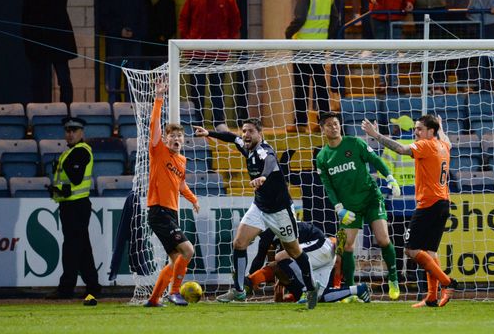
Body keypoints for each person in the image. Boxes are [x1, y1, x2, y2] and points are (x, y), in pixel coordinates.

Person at [193, 120, 319, 309]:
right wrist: (209, 133)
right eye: (244, 131)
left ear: (260, 134)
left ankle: (311, 288)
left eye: (250, 131)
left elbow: (269, 161)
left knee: (293, 251)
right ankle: (238, 289)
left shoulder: (264, 151)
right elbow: (230, 137)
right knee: (239, 243)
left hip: (280, 211)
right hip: (260, 207)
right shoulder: (246, 146)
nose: (245, 134)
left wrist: (263, 176)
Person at [361, 114, 460, 308]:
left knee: (411, 250)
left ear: (430, 131)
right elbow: (447, 139)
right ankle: (431, 297)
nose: (416, 132)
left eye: (420, 129)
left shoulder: (426, 145)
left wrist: (377, 135)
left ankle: (448, 283)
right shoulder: (443, 145)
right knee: (430, 252)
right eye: (415, 128)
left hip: (428, 204)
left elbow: (400, 148)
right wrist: (442, 128)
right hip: (443, 203)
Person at [315, 112, 402, 300]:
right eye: (329, 125)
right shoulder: (322, 157)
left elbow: (376, 161)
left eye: (336, 123)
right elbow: (328, 186)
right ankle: (350, 289)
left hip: (371, 199)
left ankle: (393, 280)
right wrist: (339, 208)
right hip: (349, 207)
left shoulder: (354, 143)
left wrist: (390, 178)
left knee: (383, 239)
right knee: (346, 246)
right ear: (322, 129)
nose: (334, 127)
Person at [143, 80, 200, 307]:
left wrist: (193, 200)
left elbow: (180, 185)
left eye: (179, 137)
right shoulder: (158, 152)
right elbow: (154, 126)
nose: (176, 140)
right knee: (188, 250)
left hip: (171, 212)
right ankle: (174, 292)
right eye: (172, 137)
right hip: (158, 211)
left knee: (176, 260)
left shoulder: (182, 160)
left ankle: (154, 299)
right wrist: (159, 98)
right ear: (165, 140)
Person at [178, 0, 245, 130]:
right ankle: (197, 122)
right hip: (196, 53)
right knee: (196, 90)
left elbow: (235, 24)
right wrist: (188, 41)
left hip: (218, 54)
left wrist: (225, 43)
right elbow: (183, 21)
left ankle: (218, 122)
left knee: (217, 89)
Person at [44, 117, 101, 299]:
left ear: (81, 132)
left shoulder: (80, 151)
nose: (70, 134)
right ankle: (93, 286)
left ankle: (66, 288)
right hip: (73, 205)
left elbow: (75, 179)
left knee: (71, 248)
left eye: (74, 131)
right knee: (82, 248)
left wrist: (59, 189)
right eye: (67, 131)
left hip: (75, 206)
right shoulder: (70, 152)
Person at [285, 0, 338, 133]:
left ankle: (300, 123)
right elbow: (335, 21)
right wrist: (326, 39)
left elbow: (300, 18)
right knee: (320, 84)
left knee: (301, 84)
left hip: (302, 46)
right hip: (319, 47)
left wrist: (288, 32)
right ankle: (325, 123)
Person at [22, 0, 81, 105]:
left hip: (58, 38)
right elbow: (26, 10)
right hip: (38, 39)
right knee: (39, 80)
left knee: (64, 79)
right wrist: (27, 36)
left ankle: (66, 110)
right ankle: (39, 111)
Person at [98, 0, 147, 103]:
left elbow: (142, 14)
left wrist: (136, 32)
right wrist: (118, 31)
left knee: (132, 79)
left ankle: (131, 112)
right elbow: (102, 18)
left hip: (133, 43)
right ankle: (115, 113)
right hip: (115, 43)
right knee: (114, 79)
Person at [143, 0, 176, 67]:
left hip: (161, 44)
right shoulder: (144, 1)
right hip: (147, 44)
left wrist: (165, 36)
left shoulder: (168, 1)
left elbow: (172, 23)